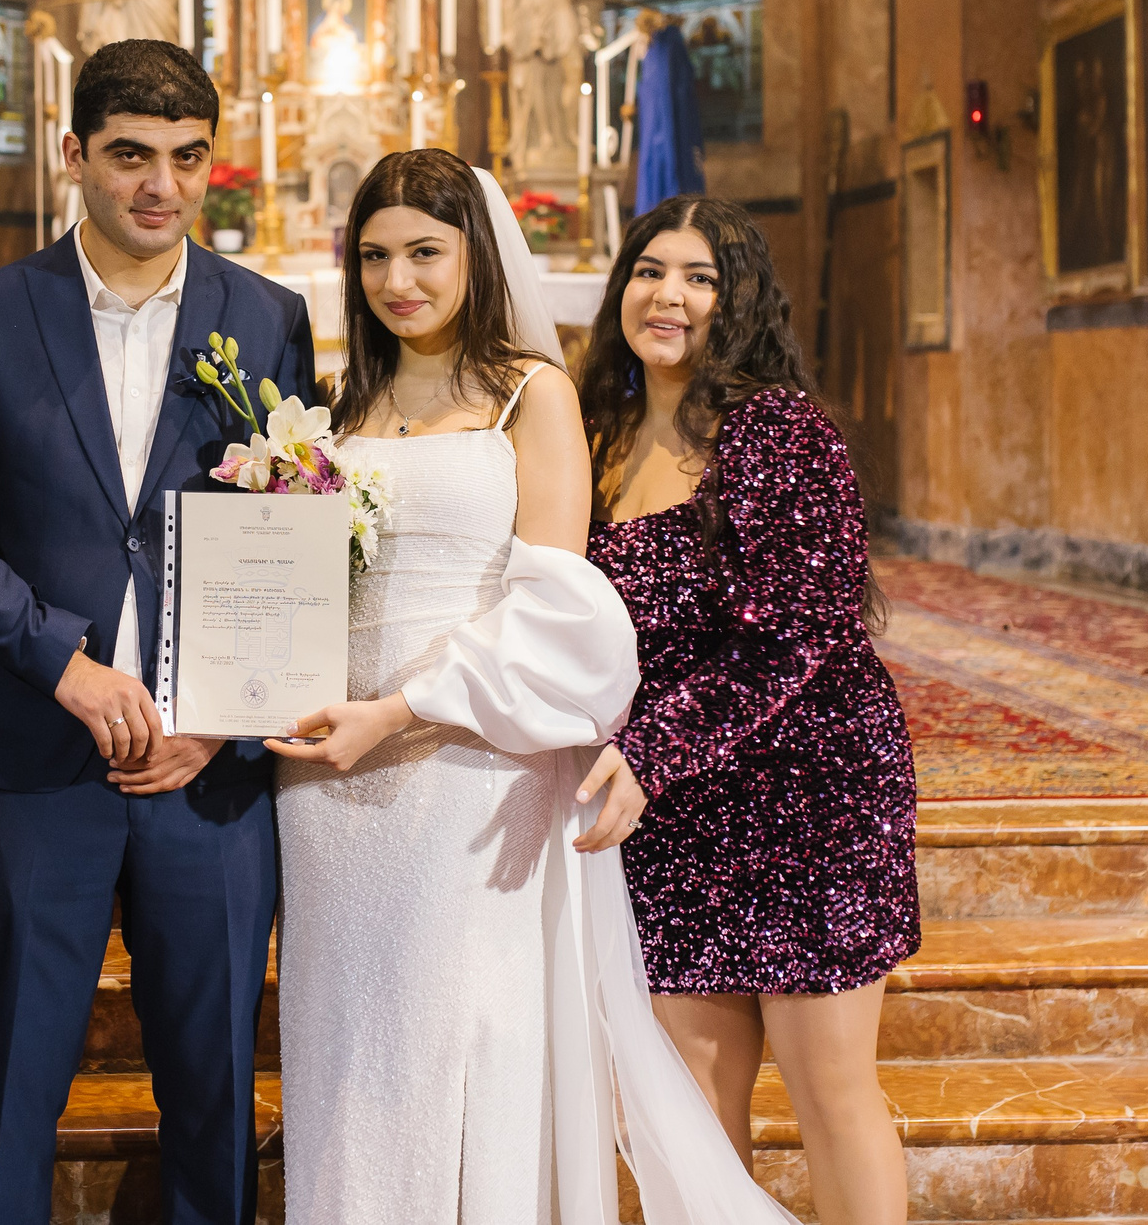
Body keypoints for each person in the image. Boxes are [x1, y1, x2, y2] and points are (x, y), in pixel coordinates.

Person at [266, 149, 792, 1225]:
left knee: (465, 1030)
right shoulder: (334, 404)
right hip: (329, 778)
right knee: (347, 1037)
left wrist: (398, 712)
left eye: (424, 251)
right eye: (372, 256)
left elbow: (562, 608)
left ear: (474, 254)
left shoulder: (530, 394)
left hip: (466, 759)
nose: (396, 279)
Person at [0, 38, 315, 1225]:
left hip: (210, 780)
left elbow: (295, 528)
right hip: (35, 761)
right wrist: (62, 665)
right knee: (16, 1086)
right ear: (74, 153)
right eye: (131, 156)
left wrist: (222, 720)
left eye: (187, 159)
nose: (161, 187)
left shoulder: (268, 319)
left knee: (215, 1093)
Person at [577, 195, 919, 1225]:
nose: (667, 296)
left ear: (739, 303)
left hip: (807, 796)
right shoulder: (598, 436)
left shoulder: (779, 430)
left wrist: (648, 753)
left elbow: (796, 634)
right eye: (649, 271)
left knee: (830, 1092)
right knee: (685, 1106)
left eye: (698, 277)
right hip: (673, 815)